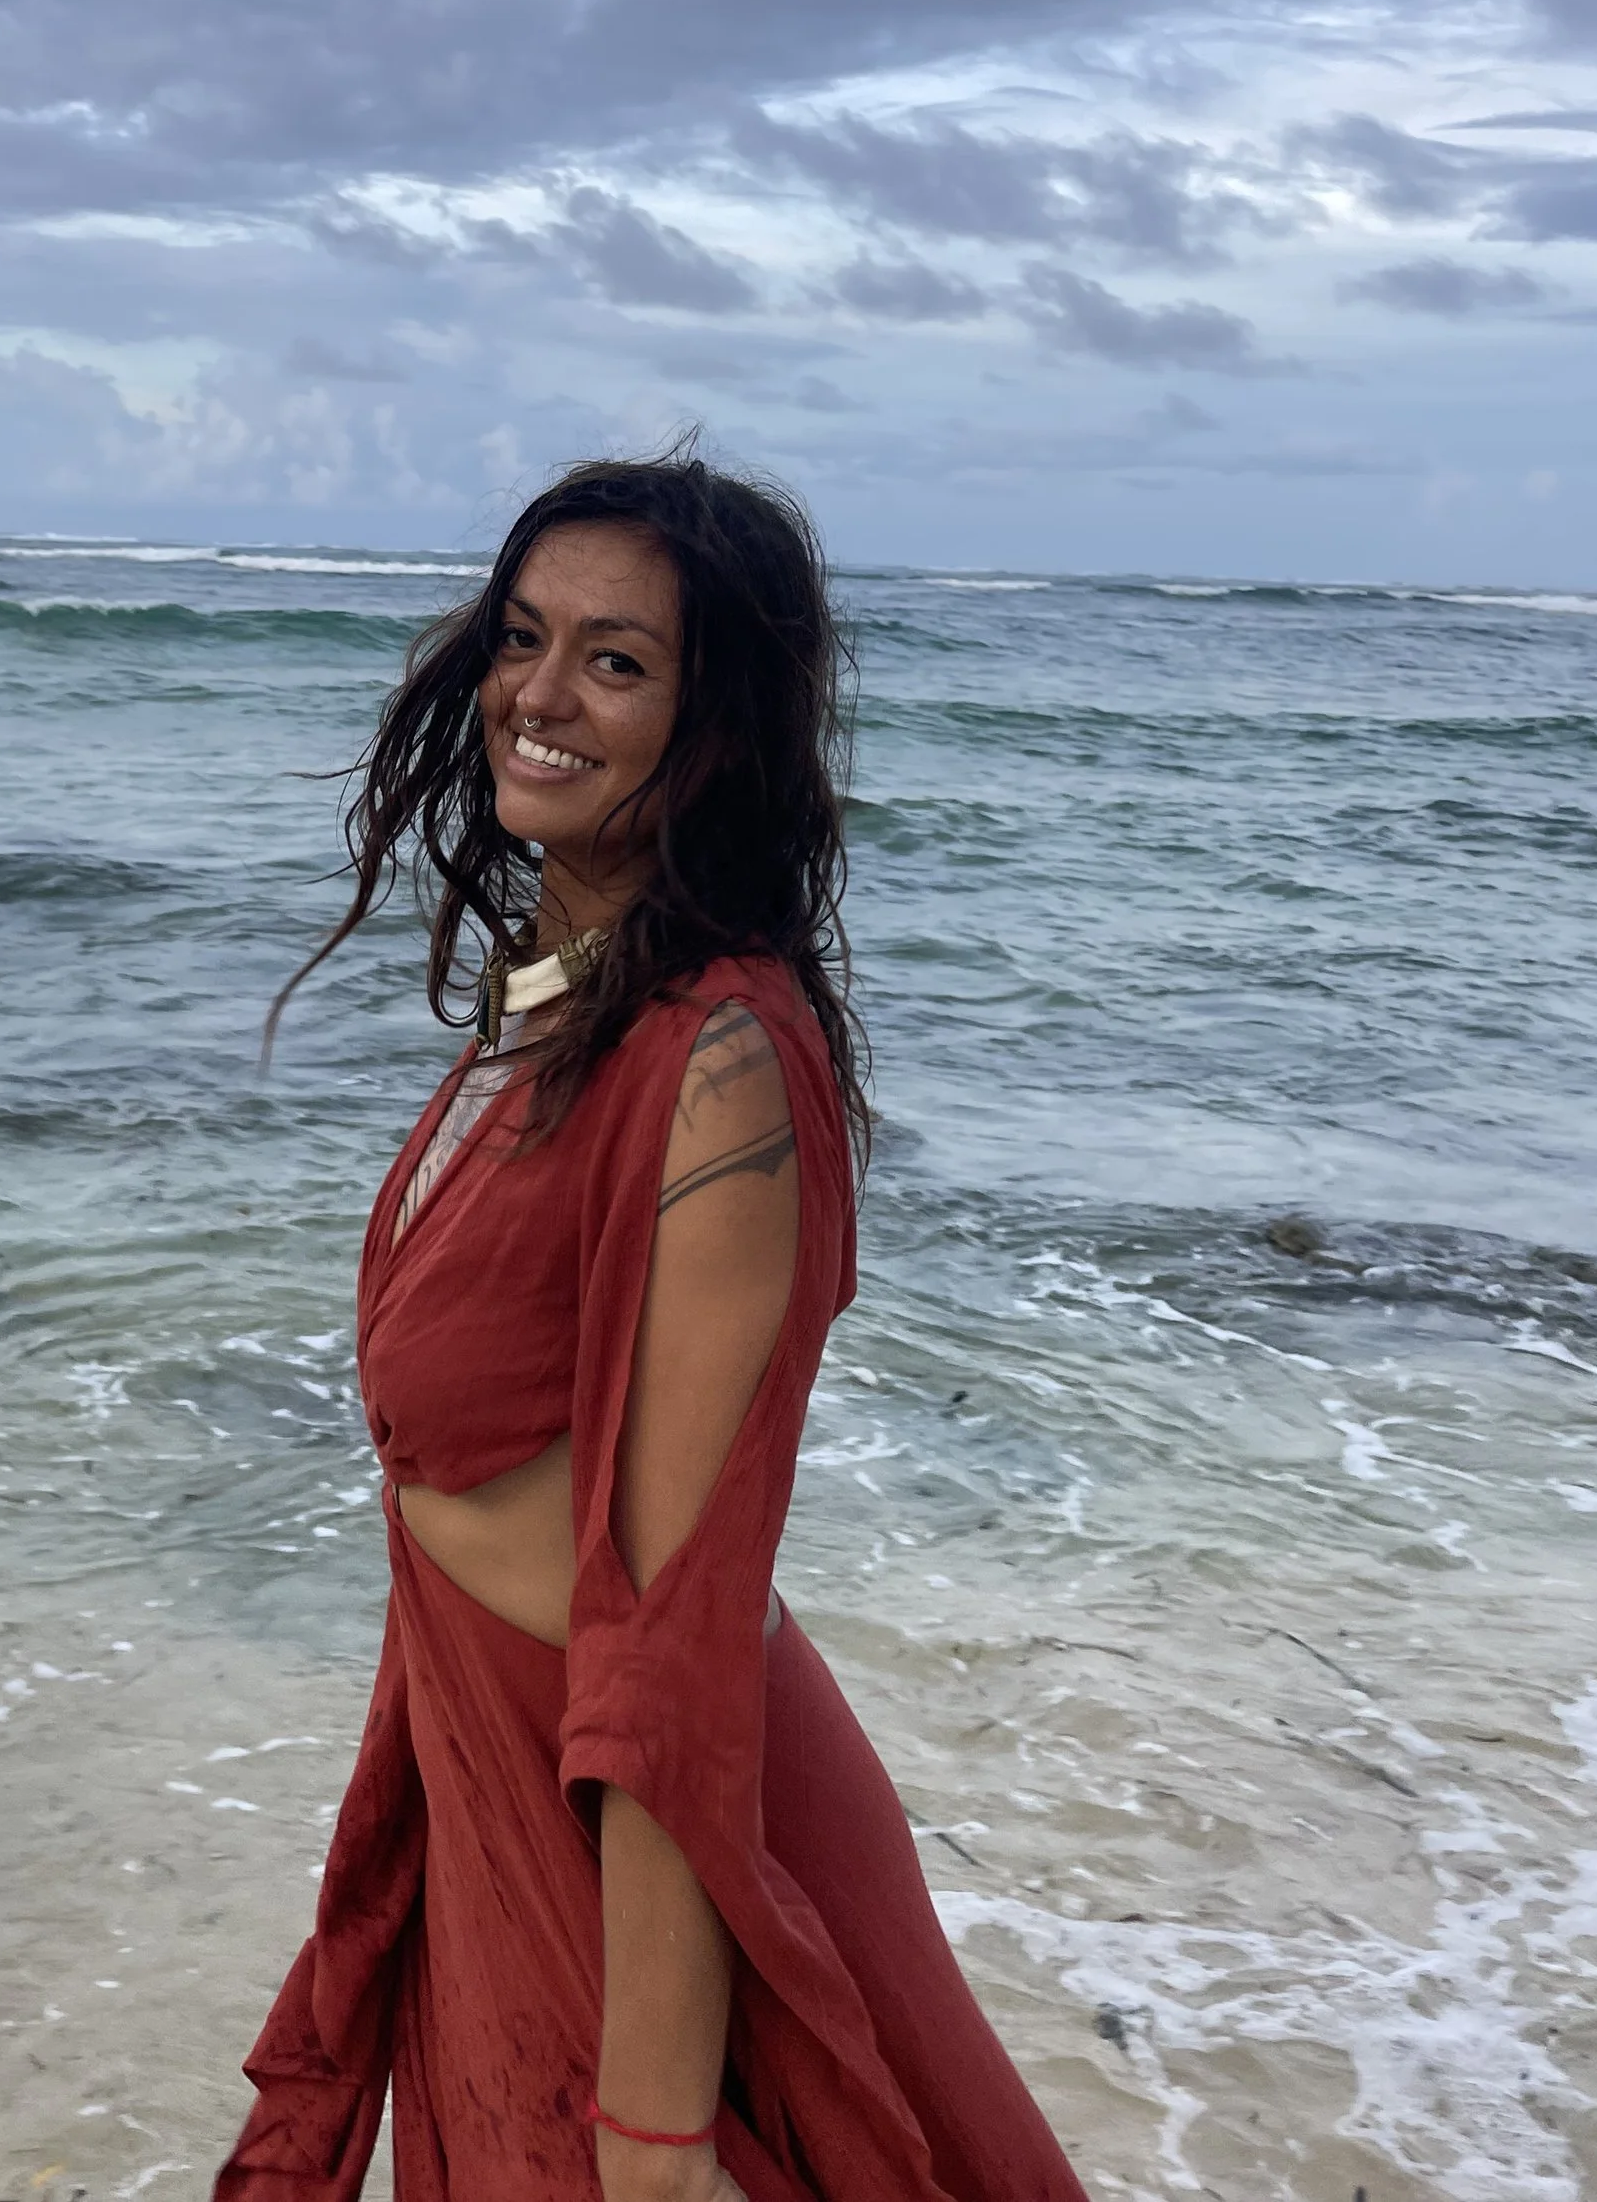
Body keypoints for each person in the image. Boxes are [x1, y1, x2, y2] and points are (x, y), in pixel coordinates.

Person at [216, 450, 1089, 2202]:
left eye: (616, 661)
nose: (539, 696)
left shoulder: (718, 1065)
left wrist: (659, 2128)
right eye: (521, 637)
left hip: (662, 1845)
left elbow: (670, 1636)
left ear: (720, 726)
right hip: (515, 1776)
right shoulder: (562, 1008)